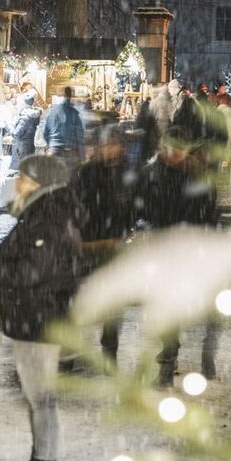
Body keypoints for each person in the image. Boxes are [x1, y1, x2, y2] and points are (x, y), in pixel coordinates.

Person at [0, 154, 84, 461]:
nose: (16, 182)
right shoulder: (43, 212)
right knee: (38, 398)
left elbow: (35, 271)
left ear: (39, 183)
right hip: (37, 315)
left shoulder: (48, 216)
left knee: (41, 399)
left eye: (22, 177)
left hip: (39, 318)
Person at [136, 126, 221, 384]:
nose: (174, 155)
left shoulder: (196, 176)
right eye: (170, 149)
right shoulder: (150, 174)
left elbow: (209, 212)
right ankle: (169, 355)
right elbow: (139, 209)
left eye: (179, 151)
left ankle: (207, 354)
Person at [76, 127, 136, 366]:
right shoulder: (86, 173)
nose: (115, 149)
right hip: (88, 245)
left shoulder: (126, 174)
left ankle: (109, 352)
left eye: (118, 144)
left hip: (115, 247)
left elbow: (132, 207)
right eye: (110, 144)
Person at [41, 86, 86, 172]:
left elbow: (45, 133)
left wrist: (51, 145)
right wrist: (82, 156)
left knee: (53, 182)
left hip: (54, 152)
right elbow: (80, 136)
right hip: (70, 153)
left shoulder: (52, 111)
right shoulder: (74, 113)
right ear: (71, 96)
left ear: (62, 95)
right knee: (71, 182)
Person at [10, 90, 41, 170]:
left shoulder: (25, 118)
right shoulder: (33, 115)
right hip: (29, 148)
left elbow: (16, 134)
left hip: (21, 151)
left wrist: (8, 125)